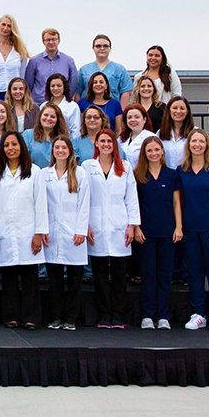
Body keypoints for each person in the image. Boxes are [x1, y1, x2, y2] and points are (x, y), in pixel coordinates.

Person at [0, 132, 48, 330]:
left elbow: (41, 203)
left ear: (21, 146)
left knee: (30, 278)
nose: (10, 148)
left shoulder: (35, 172)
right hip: (4, 232)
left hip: (28, 232)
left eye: (14, 144)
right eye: (6, 145)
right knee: (9, 278)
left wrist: (39, 233)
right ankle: (10, 316)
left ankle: (31, 317)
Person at [83, 130, 140, 329]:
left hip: (119, 225)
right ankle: (104, 315)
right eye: (102, 141)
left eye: (109, 141)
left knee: (118, 274)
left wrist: (132, 225)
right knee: (99, 274)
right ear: (96, 144)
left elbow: (131, 198)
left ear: (114, 144)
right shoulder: (87, 167)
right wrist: (85, 225)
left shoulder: (124, 167)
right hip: (95, 225)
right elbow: (84, 199)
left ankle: (117, 315)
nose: (106, 144)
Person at [179, 129, 209, 332]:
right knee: (195, 273)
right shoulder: (181, 170)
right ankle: (198, 313)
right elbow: (178, 201)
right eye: (193, 141)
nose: (197, 144)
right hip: (190, 230)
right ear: (189, 145)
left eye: (201, 141)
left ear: (207, 144)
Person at [40, 137, 90, 331]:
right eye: (57, 147)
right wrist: (43, 228)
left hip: (73, 233)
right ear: (52, 151)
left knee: (75, 279)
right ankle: (56, 316)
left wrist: (81, 230)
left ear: (70, 151)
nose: (60, 150)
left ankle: (70, 317)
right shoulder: (45, 174)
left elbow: (84, 203)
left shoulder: (80, 173)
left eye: (64, 147)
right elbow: (41, 204)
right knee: (55, 280)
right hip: (52, 232)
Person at [132, 136, 182, 330]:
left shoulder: (171, 175)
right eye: (149, 150)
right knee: (148, 274)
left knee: (164, 274)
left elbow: (177, 202)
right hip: (146, 233)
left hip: (168, 232)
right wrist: (136, 227)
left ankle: (163, 316)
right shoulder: (138, 175)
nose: (153, 153)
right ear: (144, 153)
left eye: (156, 150)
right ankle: (147, 315)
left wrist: (178, 227)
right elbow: (134, 203)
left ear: (162, 151)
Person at [23, 28, 78, 104]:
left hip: (61, 105)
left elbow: (73, 84)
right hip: (39, 104)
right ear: (43, 42)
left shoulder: (69, 61)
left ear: (59, 41)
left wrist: (65, 100)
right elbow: (28, 84)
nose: (51, 42)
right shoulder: (34, 61)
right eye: (48, 40)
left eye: (54, 39)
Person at [75, 34, 132, 104]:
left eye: (105, 46)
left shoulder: (120, 69)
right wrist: (80, 109)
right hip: (88, 111)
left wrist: (122, 111)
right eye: (98, 46)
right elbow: (77, 92)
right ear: (93, 48)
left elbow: (125, 92)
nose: (102, 48)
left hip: (111, 111)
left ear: (110, 48)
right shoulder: (83, 70)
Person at [21, 104, 69, 169]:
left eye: (52, 117)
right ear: (40, 116)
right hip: (32, 175)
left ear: (58, 120)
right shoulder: (28, 134)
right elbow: (21, 158)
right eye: (45, 115)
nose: (48, 118)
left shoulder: (63, 138)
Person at [159, 96, 194, 170]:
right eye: (175, 108)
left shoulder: (194, 133)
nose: (178, 111)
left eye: (182, 108)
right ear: (169, 110)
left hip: (187, 175)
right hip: (167, 177)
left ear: (187, 111)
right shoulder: (160, 133)